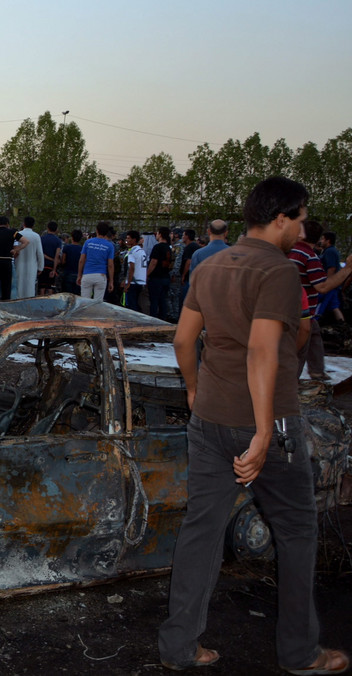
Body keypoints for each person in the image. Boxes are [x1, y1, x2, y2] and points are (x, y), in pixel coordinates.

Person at [159, 176, 348, 675]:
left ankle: (179, 647)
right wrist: (265, 432)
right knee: (297, 530)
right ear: (281, 218)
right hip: (267, 423)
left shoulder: (211, 263)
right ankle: (300, 652)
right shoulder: (279, 272)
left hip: (209, 420)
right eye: (302, 218)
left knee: (201, 529)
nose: (304, 229)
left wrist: (196, 390)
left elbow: (183, 340)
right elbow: (263, 350)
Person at [289, 220, 352, 379]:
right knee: (301, 345)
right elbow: (322, 286)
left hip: (289, 307)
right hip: (302, 310)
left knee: (314, 333)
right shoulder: (309, 256)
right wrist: (348, 269)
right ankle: (290, 383)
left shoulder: (289, 251)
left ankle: (316, 370)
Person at [77, 222, 115, 301]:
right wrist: (111, 281)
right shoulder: (109, 246)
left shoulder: (88, 242)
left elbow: (81, 260)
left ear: (97, 230)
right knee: (98, 303)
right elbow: (110, 265)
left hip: (87, 274)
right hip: (101, 276)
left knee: (84, 301)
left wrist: (79, 275)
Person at [316, 232, 346, 322]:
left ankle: (314, 324)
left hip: (330, 286)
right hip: (333, 286)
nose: (321, 241)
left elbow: (331, 268)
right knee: (334, 306)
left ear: (327, 241)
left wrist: (327, 284)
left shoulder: (330, 252)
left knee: (320, 306)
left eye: (322, 239)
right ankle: (342, 324)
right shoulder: (329, 251)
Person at [147, 227, 173, 319]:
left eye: (157, 233)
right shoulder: (169, 248)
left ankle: (152, 320)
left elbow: (153, 262)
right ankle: (163, 319)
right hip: (165, 277)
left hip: (156, 278)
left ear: (160, 234)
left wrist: (147, 275)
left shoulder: (157, 247)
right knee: (163, 301)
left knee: (154, 301)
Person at [12, 216, 41, 299]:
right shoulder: (36, 236)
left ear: (23, 224)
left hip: (18, 263)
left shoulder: (18, 234)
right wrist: (40, 267)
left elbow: (14, 248)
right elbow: (39, 253)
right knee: (30, 286)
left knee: (18, 285)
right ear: (33, 225)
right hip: (32, 265)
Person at [122, 230, 147, 313]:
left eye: (128, 238)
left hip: (133, 282)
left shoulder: (132, 251)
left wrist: (128, 283)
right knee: (137, 303)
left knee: (132, 305)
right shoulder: (142, 251)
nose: (127, 240)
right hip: (141, 281)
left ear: (134, 239)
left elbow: (131, 267)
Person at [0, 216, 16, 300]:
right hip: (7, 260)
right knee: (6, 284)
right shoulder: (13, 232)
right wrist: (16, 249)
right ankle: (6, 301)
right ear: (7, 224)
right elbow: (25, 241)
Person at [39, 221, 62, 296]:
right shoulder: (58, 241)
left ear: (47, 228)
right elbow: (57, 256)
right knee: (50, 287)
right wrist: (54, 270)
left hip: (42, 266)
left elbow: (40, 253)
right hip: (51, 266)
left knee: (42, 287)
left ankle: (40, 304)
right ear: (56, 230)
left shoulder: (41, 239)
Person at [179, 229, 201, 302]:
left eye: (183, 235)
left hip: (188, 278)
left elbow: (188, 262)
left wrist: (183, 275)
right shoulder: (195, 246)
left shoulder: (190, 247)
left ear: (187, 236)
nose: (182, 237)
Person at [60, 229, 83, 295]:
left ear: (72, 237)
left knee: (66, 295)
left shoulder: (67, 247)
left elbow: (63, 261)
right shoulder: (82, 249)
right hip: (78, 275)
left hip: (67, 273)